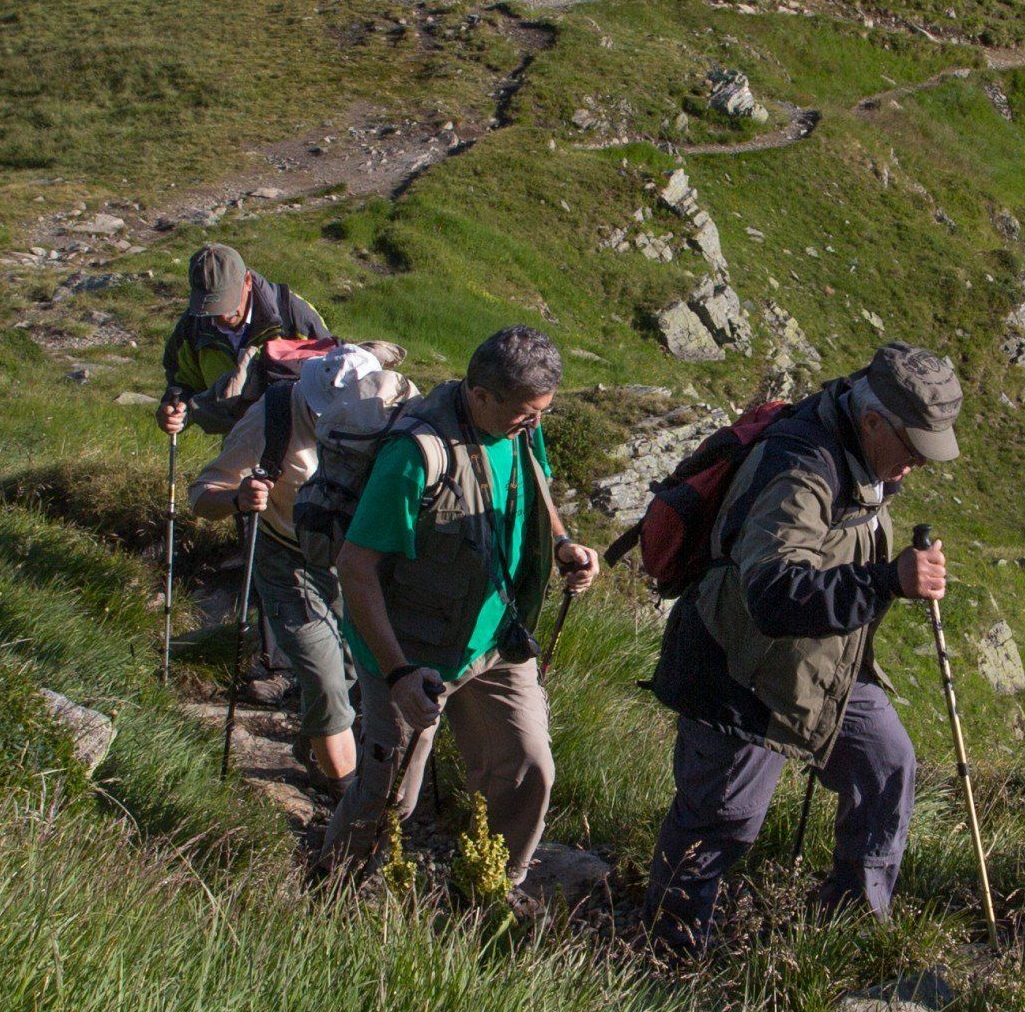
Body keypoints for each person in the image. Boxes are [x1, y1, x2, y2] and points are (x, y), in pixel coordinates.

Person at [643, 345, 964, 951]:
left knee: (886, 763)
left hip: (822, 666)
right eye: (914, 447)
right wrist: (888, 581)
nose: (919, 464)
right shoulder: (800, 470)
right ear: (873, 422)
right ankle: (668, 956)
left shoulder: (858, 443)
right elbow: (773, 596)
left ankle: (851, 931)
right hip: (738, 669)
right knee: (722, 820)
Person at [323, 326, 600, 893]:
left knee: (529, 770)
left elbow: (536, 484)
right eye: (525, 413)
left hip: (497, 636)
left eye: (541, 412)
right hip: (414, 651)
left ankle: (491, 889)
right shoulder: (415, 454)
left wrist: (565, 542)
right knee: (389, 796)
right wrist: (398, 674)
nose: (535, 424)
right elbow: (356, 567)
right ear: (479, 396)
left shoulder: (523, 426)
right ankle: (332, 886)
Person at [185, 341, 409, 790]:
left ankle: (315, 750)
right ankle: (347, 797)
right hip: (287, 560)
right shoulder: (273, 417)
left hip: (357, 562)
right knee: (325, 677)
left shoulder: (391, 406)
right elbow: (200, 495)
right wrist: (235, 499)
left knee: (353, 670)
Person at [157, 243, 329, 441]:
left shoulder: (294, 315)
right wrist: (177, 412)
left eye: (227, 301)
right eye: (212, 305)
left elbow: (332, 376)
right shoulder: (192, 327)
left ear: (247, 281)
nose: (222, 314)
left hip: (299, 445)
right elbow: (183, 383)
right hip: (238, 444)